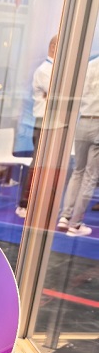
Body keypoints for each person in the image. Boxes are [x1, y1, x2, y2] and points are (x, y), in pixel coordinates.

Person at [56, 54, 99, 236]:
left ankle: (65, 217)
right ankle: (76, 223)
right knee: (90, 176)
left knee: (77, 172)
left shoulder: (89, 65)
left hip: (83, 121)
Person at [16, 36, 57, 219]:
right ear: (54, 47)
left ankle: (38, 202)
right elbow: (57, 93)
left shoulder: (54, 70)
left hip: (52, 123)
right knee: (38, 163)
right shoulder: (44, 70)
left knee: (47, 165)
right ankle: (24, 203)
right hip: (43, 123)